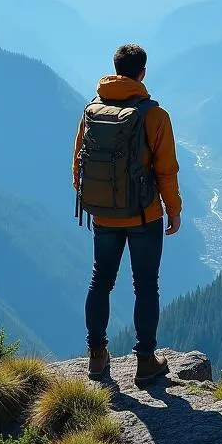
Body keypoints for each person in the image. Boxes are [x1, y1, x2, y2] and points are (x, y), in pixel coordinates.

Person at [72, 43, 182, 386]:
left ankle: (96, 356)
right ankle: (146, 361)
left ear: (115, 69)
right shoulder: (154, 115)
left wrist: (96, 199)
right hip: (143, 215)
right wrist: (173, 210)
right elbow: (166, 171)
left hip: (103, 216)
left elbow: (79, 163)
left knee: (99, 281)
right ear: (143, 73)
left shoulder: (92, 108)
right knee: (145, 285)